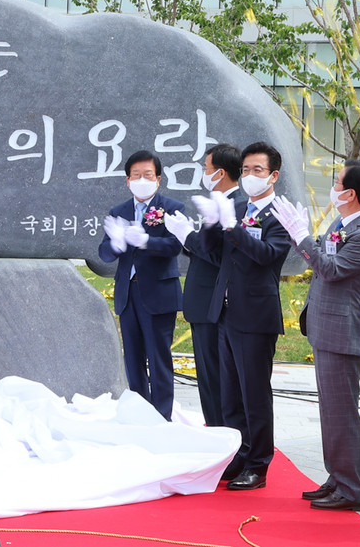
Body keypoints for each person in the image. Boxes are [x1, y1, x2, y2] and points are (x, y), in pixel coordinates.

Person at [272, 159, 360, 512]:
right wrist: (301, 236)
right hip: (327, 328)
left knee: (341, 414)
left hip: (344, 333)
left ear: (350, 193)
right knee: (330, 412)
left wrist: (300, 235)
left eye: (337, 183)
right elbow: (321, 252)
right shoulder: (345, 221)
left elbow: (331, 268)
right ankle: (337, 477)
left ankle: (351, 489)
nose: (333, 187)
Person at [189, 142, 291, 490]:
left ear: (273, 175)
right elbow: (210, 252)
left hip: (256, 314)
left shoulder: (279, 213)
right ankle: (238, 455)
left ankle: (259, 463)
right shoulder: (240, 208)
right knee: (229, 392)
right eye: (245, 170)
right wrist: (211, 223)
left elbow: (267, 255)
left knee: (254, 393)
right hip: (225, 310)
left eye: (257, 170)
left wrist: (233, 229)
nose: (249, 176)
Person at [98, 149, 185, 420]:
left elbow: (176, 245)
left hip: (159, 293)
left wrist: (147, 241)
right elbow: (103, 253)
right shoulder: (119, 211)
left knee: (159, 359)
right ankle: (140, 414)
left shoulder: (171, 208)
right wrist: (116, 243)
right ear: (127, 180)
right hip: (127, 294)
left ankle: (162, 417)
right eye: (136, 175)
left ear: (158, 179)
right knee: (132, 359)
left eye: (147, 174)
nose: (142, 179)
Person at [164, 143, 242, 426]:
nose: (203, 174)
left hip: (215, 304)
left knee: (215, 377)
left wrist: (186, 235)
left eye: (205, 169)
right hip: (204, 304)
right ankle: (219, 430)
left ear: (219, 173)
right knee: (209, 378)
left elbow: (218, 254)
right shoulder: (220, 203)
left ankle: (225, 435)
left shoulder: (234, 206)